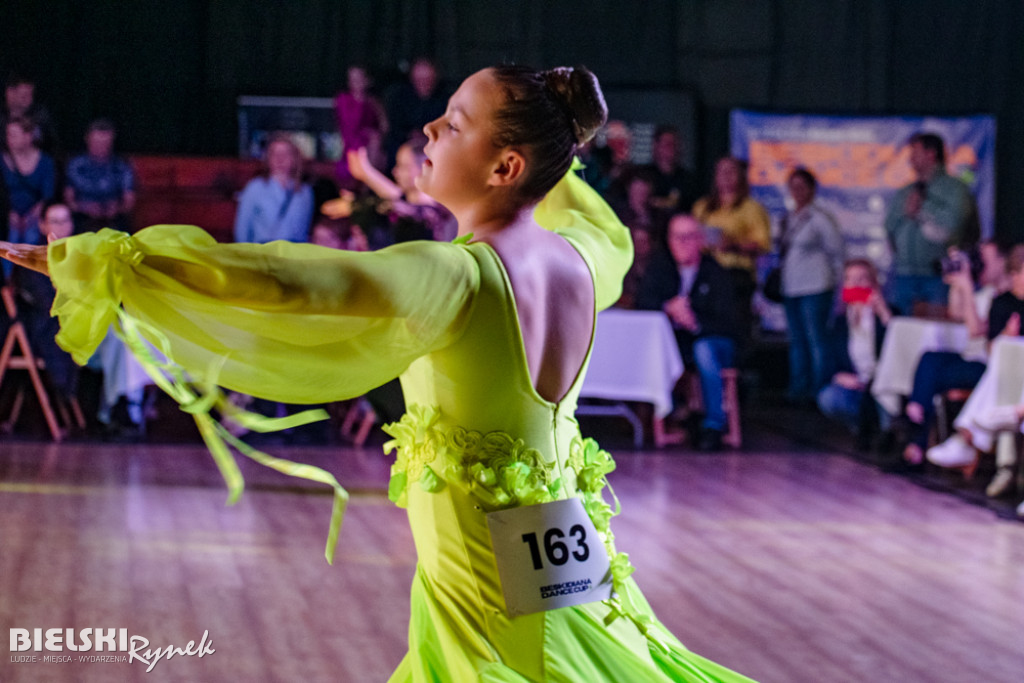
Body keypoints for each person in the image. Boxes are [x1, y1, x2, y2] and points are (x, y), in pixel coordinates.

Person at [0, 64, 755, 682]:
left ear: (505, 165)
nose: (427, 129)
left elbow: (294, 280)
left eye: (454, 122)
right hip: (565, 550)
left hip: (485, 586)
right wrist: (560, 132)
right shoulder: (593, 255)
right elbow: (577, 198)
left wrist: (116, 261)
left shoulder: (458, 276)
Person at [894, 242, 1007, 466]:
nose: (980, 263)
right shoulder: (986, 293)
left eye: (985, 258)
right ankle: (916, 418)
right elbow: (956, 312)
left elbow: (976, 332)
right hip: (971, 360)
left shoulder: (1007, 300)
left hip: (991, 369)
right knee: (930, 358)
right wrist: (957, 279)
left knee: (933, 373)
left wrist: (965, 286)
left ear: (1003, 261)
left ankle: (917, 438)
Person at [636, 214, 742, 451]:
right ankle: (674, 415)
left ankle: (714, 425)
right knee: (655, 349)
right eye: (676, 237)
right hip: (677, 343)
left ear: (700, 240)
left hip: (715, 342)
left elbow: (729, 322)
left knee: (703, 349)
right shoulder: (661, 267)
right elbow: (643, 301)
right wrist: (668, 308)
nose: (682, 243)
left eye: (688, 237)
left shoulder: (716, 273)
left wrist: (694, 322)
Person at [884, 132, 978, 314]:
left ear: (931, 154)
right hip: (904, 275)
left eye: (915, 152)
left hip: (939, 276)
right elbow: (890, 227)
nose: (910, 159)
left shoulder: (955, 189)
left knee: (938, 331)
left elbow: (954, 226)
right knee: (903, 331)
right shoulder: (906, 191)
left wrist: (923, 209)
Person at [779, 167, 844, 404]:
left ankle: (821, 389)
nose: (797, 192)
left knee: (816, 338)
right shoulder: (788, 217)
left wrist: (839, 285)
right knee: (797, 340)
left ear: (812, 190)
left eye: (801, 187)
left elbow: (837, 251)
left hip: (815, 286)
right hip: (792, 286)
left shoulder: (819, 218)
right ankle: (798, 388)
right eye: (793, 187)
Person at [692, 156, 771, 336]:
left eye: (731, 171)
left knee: (736, 327)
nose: (725, 176)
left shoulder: (752, 208)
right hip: (706, 274)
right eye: (721, 171)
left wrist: (733, 244)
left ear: (740, 176)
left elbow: (763, 245)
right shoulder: (702, 207)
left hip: (736, 276)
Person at [817, 259, 893, 444]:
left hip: (883, 386)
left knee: (888, 426)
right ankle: (860, 425)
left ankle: (881, 429)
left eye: (863, 279)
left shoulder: (886, 315)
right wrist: (841, 377)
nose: (856, 284)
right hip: (857, 386)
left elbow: (899, 345)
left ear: (874, 283)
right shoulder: (839, 322)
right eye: (851, 279)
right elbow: (829, 363)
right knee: (829, 397)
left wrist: (883, 313)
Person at [233, 134, 314, 244]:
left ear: (294, 158)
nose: (280, 159)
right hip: (264, 253)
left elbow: (305, 230)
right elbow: (242, 228)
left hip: (293, 254)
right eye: (274, 154)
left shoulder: (305, 191)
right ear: (267, 158)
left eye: (286, 154)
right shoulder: (255, 187)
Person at [64, 119, 136, 234]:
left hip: (113, 219)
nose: (101, 147)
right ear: (87, 139)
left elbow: (129, 201)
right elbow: (69, 199)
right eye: (97, 143)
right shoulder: (76, 165)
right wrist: (85, 207)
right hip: (83, 218)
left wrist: (116, 209)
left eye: (105, 143)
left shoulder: (122, 166)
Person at [3, 116, 57, 249]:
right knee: (9, 236)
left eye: (14, 135)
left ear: (28, 136)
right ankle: (7, 270)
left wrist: (33, 215)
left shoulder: (46, 162)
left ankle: (30, 269)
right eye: (8, 134)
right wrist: (8, 213)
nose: (9, 139)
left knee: (32, 234)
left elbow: (48, 194)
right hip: (6, 215)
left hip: (35, 216)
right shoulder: (2, 160)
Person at [383, 57, 447, 167]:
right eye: (420, 80)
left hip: (433, 144)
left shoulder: (445, 99)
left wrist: (427, 136)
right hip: (403, 143)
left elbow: (446, 127)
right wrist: (410, 135)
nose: (423, 83)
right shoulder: (399, 97)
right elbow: (394, 127)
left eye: (427, 80)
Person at [333, 65, 388, 188]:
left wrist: (375, 135)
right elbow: (350, 126)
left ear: (367, 80)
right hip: (351, 148)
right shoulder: (343, 100)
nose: (356, 82)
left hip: (372, 149)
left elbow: (384, 127)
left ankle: (369, 186)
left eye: (359, 78)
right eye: (352, 79)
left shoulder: (373, 102)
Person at [640, 124, 701, 216]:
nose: (671, 148)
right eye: (667, 144)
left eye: (674, 144)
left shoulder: (688, 180)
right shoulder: (644, 175)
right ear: (656, 146)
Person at [1, 73, 59, 157]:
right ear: (10, 93)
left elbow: (52, 143)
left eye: (31, 95)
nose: (30, 100)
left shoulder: (40, 114)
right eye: (24, 96)